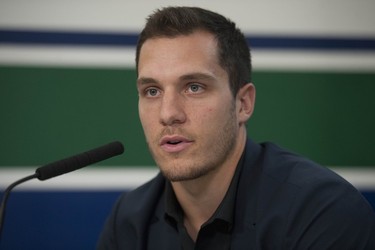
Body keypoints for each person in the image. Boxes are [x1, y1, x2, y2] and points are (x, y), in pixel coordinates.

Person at [97, 6, 375, 249]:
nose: (168, 114)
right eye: (152, 91)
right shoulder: (129, 221)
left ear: (243, 103)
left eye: (194, 87)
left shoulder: (323, 212)